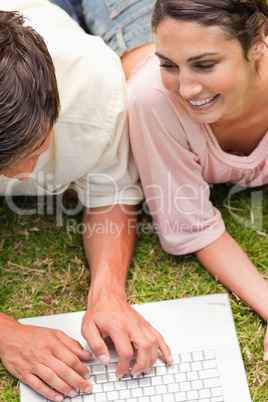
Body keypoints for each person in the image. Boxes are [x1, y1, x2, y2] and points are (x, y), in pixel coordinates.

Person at [0, 1, 172, 401]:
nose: (26, 172)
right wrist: (7, 334)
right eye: (6, 164)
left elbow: (111, 191)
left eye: (39, 146)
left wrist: (108, 291)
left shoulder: (96, 82)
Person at [128, 0, 268, 359]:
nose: (187, 89)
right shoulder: (153, 99)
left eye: (205, 65)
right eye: (168, 65)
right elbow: (192, 225)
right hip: (122, 22)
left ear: (258, 45)